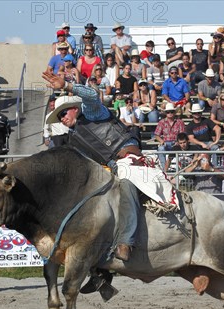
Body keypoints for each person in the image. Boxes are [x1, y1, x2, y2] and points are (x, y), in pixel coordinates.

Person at [41, 71, 179, 265]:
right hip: (110, 169)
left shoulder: (92, 112)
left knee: (127, 184)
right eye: (59, 118)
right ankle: (98, 264)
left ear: (74, 108)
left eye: (63, 113)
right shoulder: (74, 137)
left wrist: (67, 85)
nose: (62, 119)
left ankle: (125, 242)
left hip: (128, 158)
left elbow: (90, 95)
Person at [155, 103, 185, 168]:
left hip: (176, 143)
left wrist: (178, 142)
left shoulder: (180, 122)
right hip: (166, 143)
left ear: (174, 112)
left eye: (172, 111)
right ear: (165, 113)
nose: (170, 113)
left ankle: (178, 168)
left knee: (177, 148)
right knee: (161, 148)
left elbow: (182, 135)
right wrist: (162, 141)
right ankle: (164, 169)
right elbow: (157, 135)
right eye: (168, 112)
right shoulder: (161, 122)